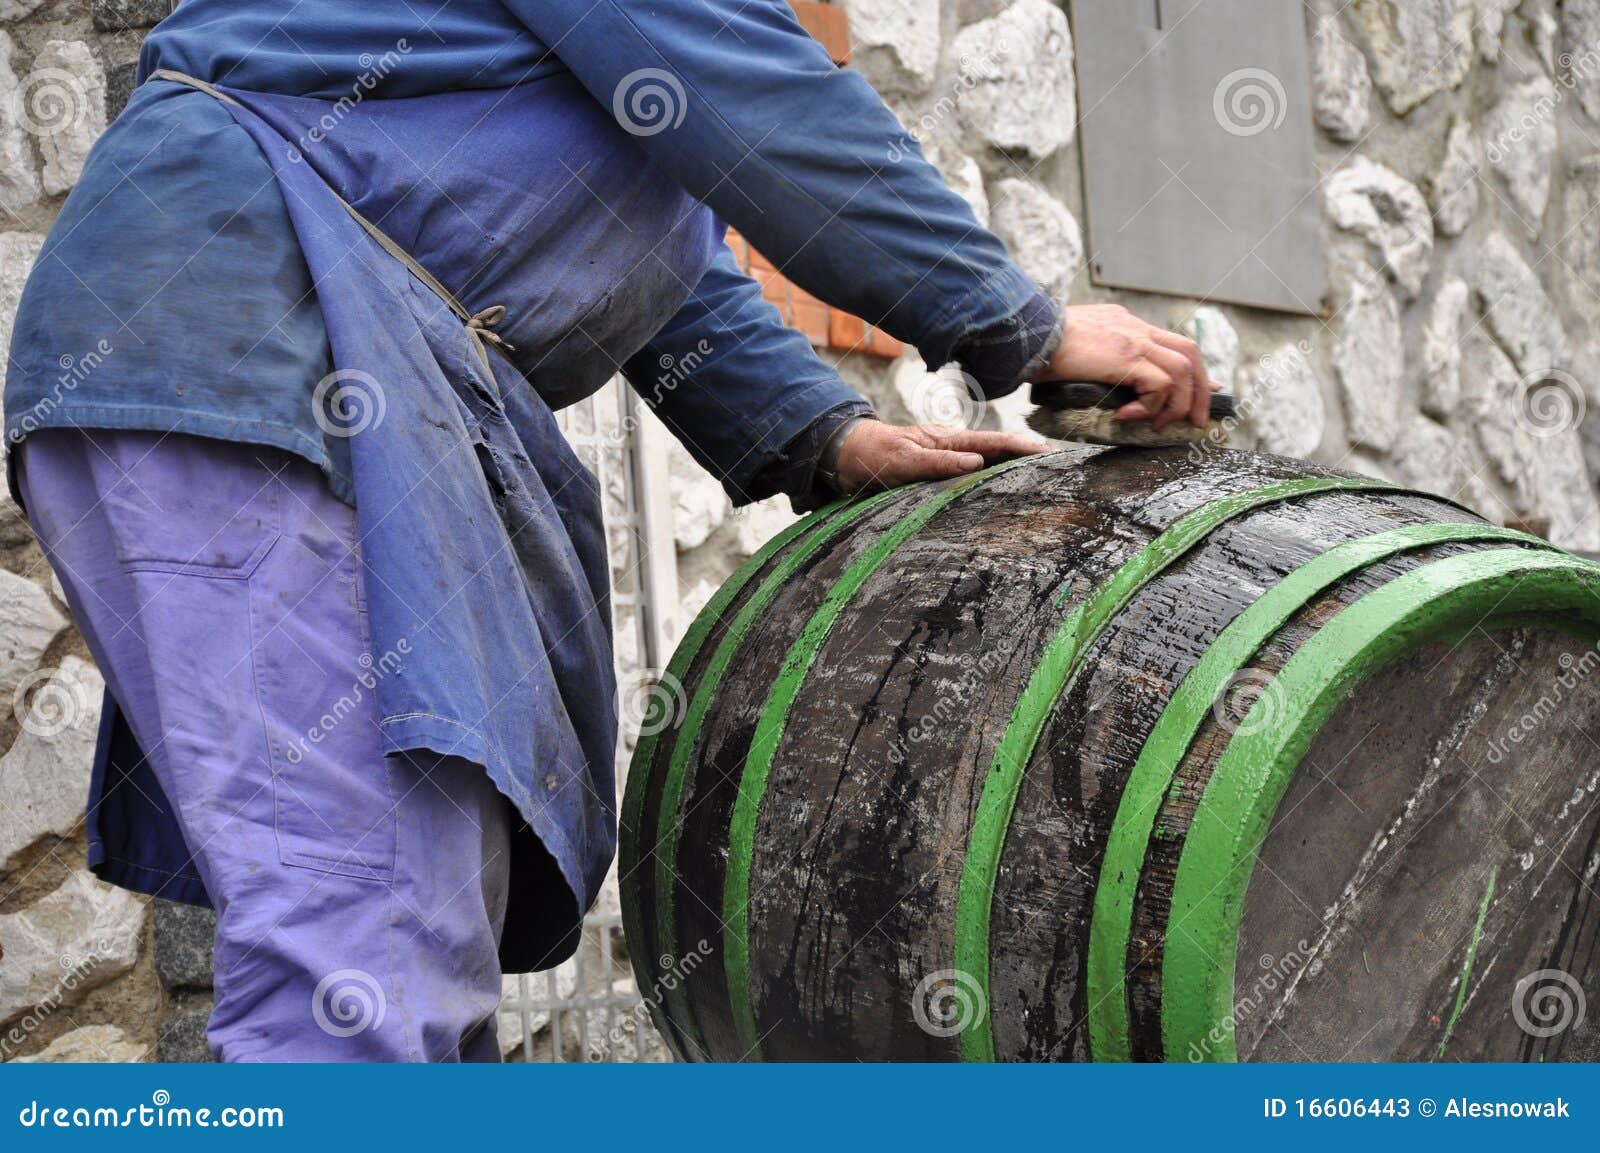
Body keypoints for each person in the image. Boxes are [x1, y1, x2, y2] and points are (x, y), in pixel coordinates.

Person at [3, 0, 1211, 1061]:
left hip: (299, 365)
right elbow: (760, 104)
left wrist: (818, 434)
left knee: (418, 914)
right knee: (357, 938)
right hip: (250, 337)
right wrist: (1024, 324)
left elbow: (659, 243)